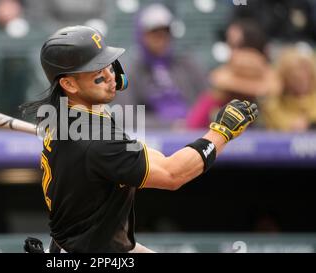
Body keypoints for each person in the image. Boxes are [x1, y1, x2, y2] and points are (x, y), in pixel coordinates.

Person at [22, 25, 258, 253]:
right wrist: (221, 133)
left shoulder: (71, 117)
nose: (110, 76)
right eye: (97, 74)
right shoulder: (94, 138)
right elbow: (173, 174)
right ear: (69, 84)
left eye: (108, 66)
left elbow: (152, 160)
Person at [118, 3, 208, 129]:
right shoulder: (130, 70)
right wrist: (171, 125)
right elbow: (127, 117)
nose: (161, 38)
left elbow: (207, 102)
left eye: (165, 33)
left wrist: (193, 121)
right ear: (141, 35)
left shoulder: (187, 64)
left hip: (194, 131)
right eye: (154, 33)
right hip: (154, 138)